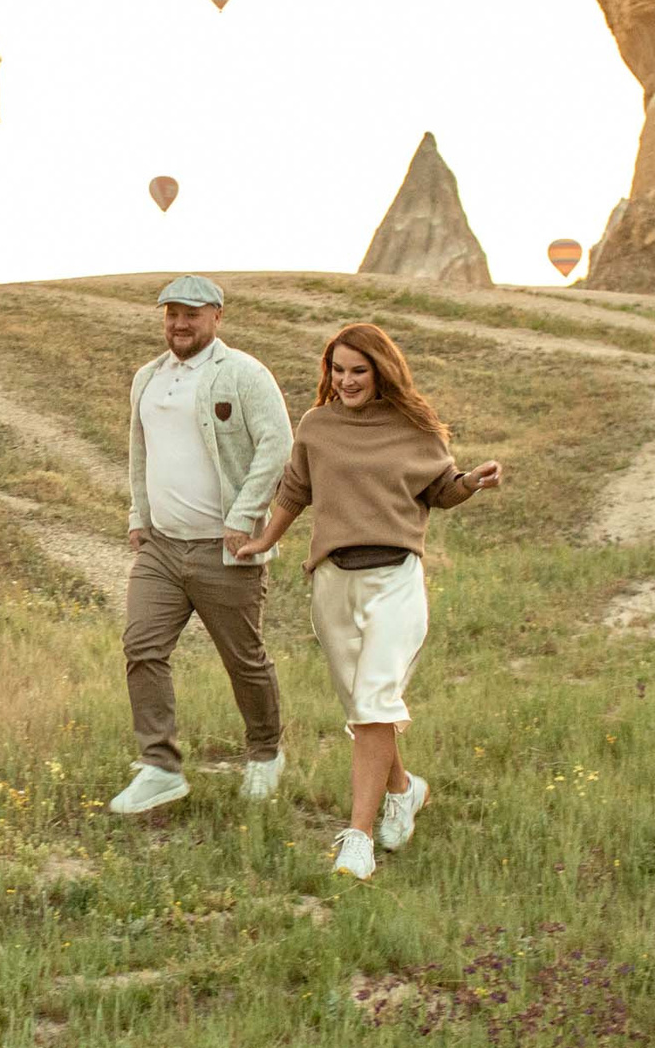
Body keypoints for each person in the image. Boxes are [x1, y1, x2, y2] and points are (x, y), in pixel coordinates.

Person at [233, 322, 502, 881]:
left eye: (359, 370)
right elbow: (295, 490)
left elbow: (441, 489)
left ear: (382, 371)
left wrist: (472, 481)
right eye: (338, 370)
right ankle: (403, 790)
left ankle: (357, 840)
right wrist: (264, 540)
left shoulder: (414, 426)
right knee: (364, 710)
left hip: (395, 581)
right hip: (333, 584)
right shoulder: (317, 425)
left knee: (375, 702)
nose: (347, 380)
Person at [109, 276, 294, 815]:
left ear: (217, 316)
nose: (180, 323)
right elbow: (139, 451)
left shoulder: (243, 373)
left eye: (191, 313)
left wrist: (244, 517)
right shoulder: (147, 377)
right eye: (172, 313)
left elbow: (278, 446)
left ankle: (265, 754)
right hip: (162, 548)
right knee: (142, 647)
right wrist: (139, 515)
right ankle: (160, 767)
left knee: (244, 660)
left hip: (226, 549)